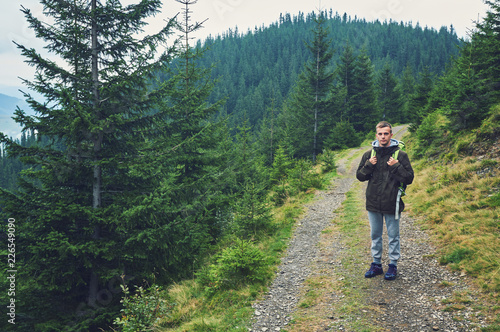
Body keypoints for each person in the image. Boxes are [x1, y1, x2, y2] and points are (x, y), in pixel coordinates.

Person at [356, 121, 414, 280]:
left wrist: (396, 166)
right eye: (380, 134)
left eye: (386, 133)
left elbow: (409, 178)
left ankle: (393, 265)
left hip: (392, 202)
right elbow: (360, 177)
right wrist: (369, 165)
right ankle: (376, 265)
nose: (383, 137)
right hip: (373, 202)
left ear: (391, 135)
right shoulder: (369, 155)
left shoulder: (400, 156)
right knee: (375, 235)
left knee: (393, 236)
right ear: (376, 135)